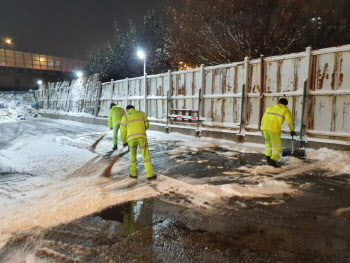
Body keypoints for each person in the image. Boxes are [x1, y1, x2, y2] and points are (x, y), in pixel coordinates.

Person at [120, 105, 156, 180]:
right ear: (133, 108)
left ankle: (133, 174)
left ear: (127, 110)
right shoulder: (142, 114)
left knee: (132, 157)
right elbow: (147, 125)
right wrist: (141, 130)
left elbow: (123, 132)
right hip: (142, 137)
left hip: (131, 139)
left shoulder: (125, 117)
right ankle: (150, 175)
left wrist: (124, 141)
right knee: (146, 156)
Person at [260, 98, 296, 167]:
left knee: (268, 144)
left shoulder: (269, 108)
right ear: (285, 105)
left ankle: (268, 158)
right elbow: (290, 121)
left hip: (265, 128)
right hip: (274, 129)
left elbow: (263, 118)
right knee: (277, 147)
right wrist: (292, 130)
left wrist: (262, 128)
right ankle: (273, 161)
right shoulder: (285, 110)